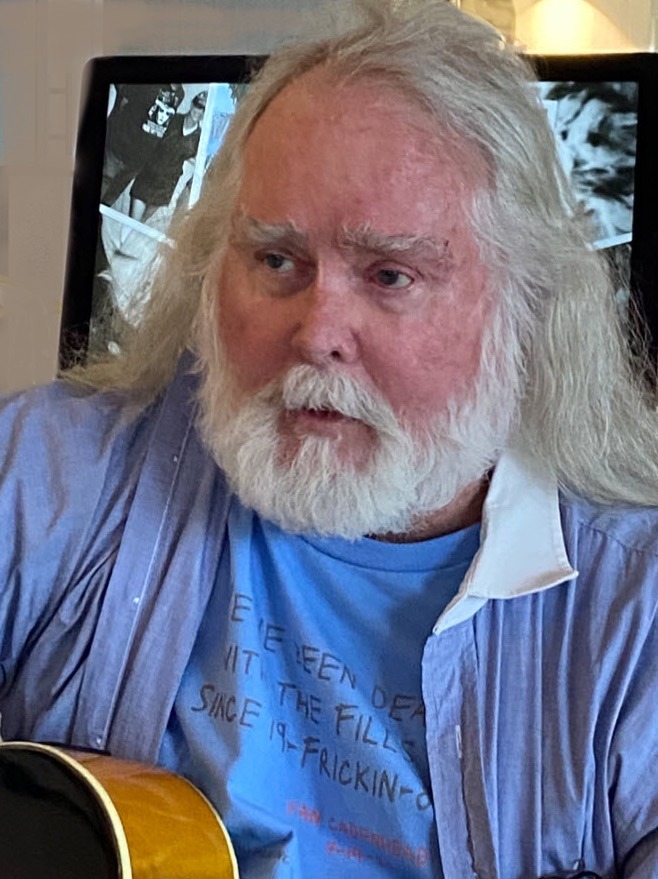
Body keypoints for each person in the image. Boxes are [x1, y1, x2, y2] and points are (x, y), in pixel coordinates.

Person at [2, 2, 658, 877]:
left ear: (526, 309)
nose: (318, 331)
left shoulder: (637, 614)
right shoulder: (52, 477)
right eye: (277, 260)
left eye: (390, 274)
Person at [128, 90, 207, 224]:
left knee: (140, 225)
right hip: (148, 176)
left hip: (165, 186)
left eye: (202, 110)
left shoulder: (199, 137)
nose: (198, 112)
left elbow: (196, 159)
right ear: (192, 105)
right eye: (197, 106)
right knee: (131, 222)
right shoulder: (172, 119)